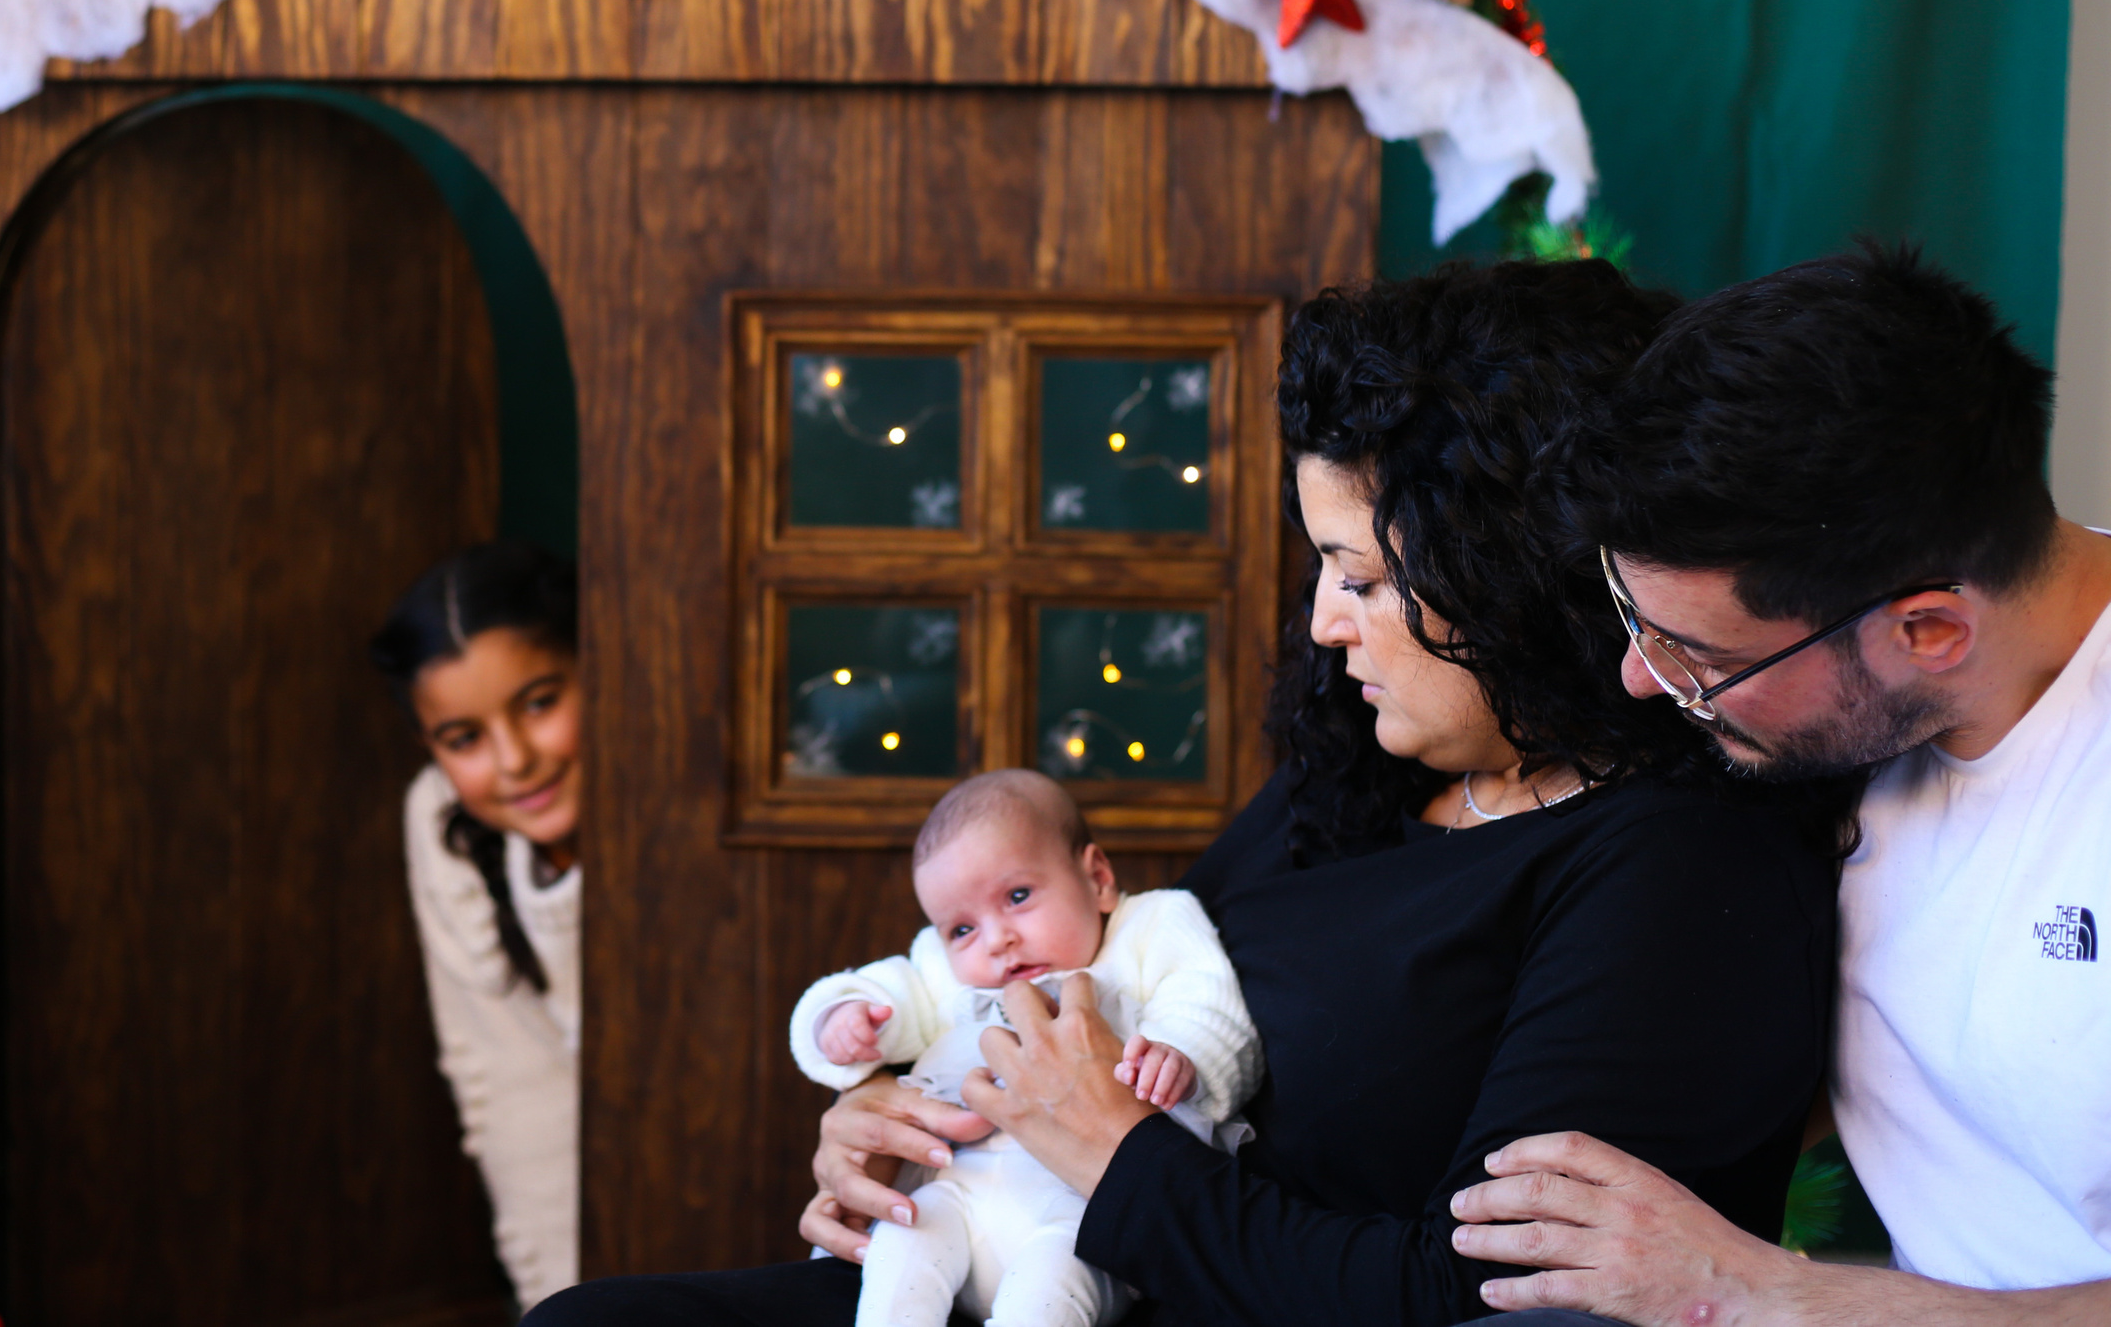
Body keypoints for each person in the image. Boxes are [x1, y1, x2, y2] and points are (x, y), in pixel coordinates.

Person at [527, 260, 1843, 1327]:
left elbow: (1463, 1295)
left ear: (1519, 577)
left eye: (1365, 577)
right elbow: (1117, 988)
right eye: (1320, 565)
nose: (1327, 622)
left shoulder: (1672, 871)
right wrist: (900, 1114)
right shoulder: (1372, 772)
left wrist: (1107, 1149)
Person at [1449, 246, 2111, 1326]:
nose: (1640, 680)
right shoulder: (1848, 737)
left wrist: (1767, 1294)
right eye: (1634, 622)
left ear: (1927, 630)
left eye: (1696, 656)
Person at [790, 770, 1258, 1327]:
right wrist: (841, 1019)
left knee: (1049, 1291)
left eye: (1017, 896)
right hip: (960, 1195)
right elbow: (889, 993)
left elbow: (1207, 1001)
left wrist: (1178, 1053)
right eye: (961, 929)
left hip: (1081, 1210)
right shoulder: (947, 973)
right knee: (902, 1242)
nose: (995, 940)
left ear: (1098, 878)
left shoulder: (1152, 925)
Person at [372, 540, 584, 1312]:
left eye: (538, 702)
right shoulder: (442, 819)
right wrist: (560, 1300)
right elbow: (511, 1084)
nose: (514, 759)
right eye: (464, 738)